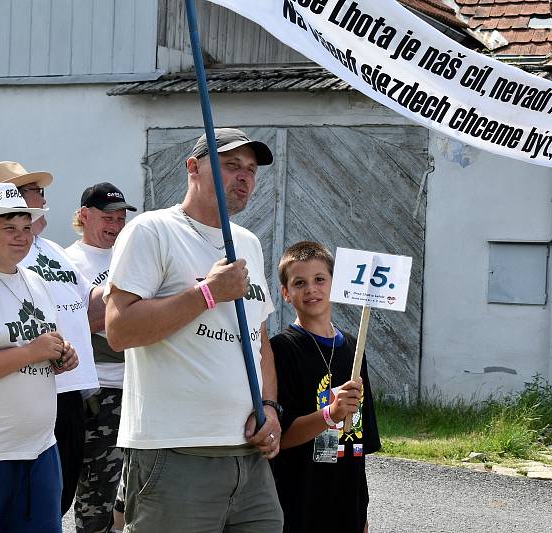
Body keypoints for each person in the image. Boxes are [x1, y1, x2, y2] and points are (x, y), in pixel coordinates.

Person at [104, 128, 283, 532]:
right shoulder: (152, 230)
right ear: (193, 168)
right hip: (176, 453)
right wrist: (207, 293)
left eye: (251, 171)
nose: (244, 178)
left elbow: (261, 340)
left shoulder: (248, 242)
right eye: (231, 165)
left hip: (248, 456)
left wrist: (270, 409)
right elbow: (119, 329)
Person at [0, 161, 100, 516]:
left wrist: (60, 357)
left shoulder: (37, 279)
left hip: (38, 446)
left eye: (26, 226)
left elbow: (41, 345)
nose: (22, 236)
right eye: (10, 227)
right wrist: (32, 352)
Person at [269, 241, 380, 533]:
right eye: (299, 283)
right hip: (298, 501)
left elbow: (358, 444)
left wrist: (362, 513)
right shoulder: (281, 350)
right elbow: (281, 436)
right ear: (285, 293)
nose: (311, 289)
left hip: (346, 503)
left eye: (320, 279)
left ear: (335, 284)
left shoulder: (354, 350)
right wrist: (330, 413)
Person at [65, 182, 136, 532]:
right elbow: (74, 323)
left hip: (138, 387)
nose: (116, 224)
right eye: (108, 216)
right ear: (83, 215)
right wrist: (121, 305)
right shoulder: (67, 261)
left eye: (121, 218)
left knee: (134, 492)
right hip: (99, 390)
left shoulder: (129, 256)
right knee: (97, 495)